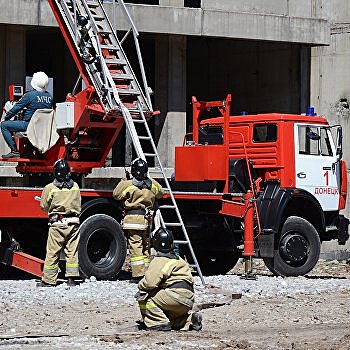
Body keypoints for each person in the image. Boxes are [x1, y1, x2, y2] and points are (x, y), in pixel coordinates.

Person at [135, 227, 203, 331]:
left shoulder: (160, 260)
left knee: (144, 297)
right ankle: (189, 320)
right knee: (171, 315)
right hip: (188, 300)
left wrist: (140, 285)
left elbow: (149, 283)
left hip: (173, 296)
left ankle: (158, 323)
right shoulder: (178, 259)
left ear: (156, 243)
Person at [113, 158, 164, 281]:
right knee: (146, 246)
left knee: (135, 246)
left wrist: (124, 179)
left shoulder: (128, 185)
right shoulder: (153, 184)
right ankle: (147, 272)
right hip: (147, 220)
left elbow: (116, 194)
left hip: (133, 220)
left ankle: (138, 274)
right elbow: (161, 193)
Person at [37, 159, 81, 287]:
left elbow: (44, 205)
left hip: (57, 224)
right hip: (73, 223)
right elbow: (78, 203)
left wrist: (52, 211)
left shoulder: (50, 188)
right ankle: (71, 279)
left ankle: (49, 281)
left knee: (53, 252)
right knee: (72, 251)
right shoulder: (76, 186)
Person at [1, 71, 53, 158]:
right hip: (42, 126)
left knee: (4, 125)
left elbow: (16, 109)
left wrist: (6, 117)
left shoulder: (30, 95)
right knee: (31, 129)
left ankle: (14, 151)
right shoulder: (49, 96)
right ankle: (28, 150)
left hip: (28, 125)